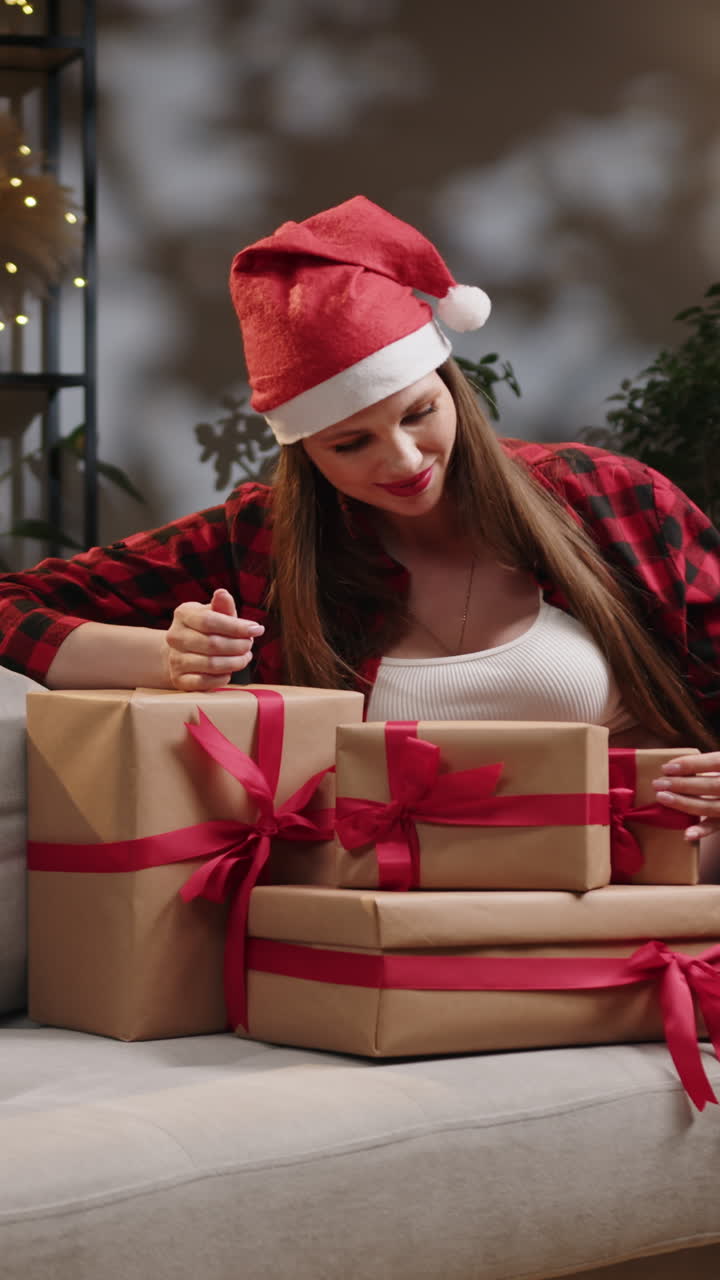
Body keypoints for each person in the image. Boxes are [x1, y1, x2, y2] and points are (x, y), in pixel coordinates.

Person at [1, 195, 719, 862]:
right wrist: (168, 660)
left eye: (418, 414)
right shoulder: (259, 537)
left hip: (639, 882)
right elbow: (10, 605)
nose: (403, 460)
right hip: (387, 909)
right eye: (351, 444)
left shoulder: (605, 497)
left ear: (451, 389)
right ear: (304, 452)